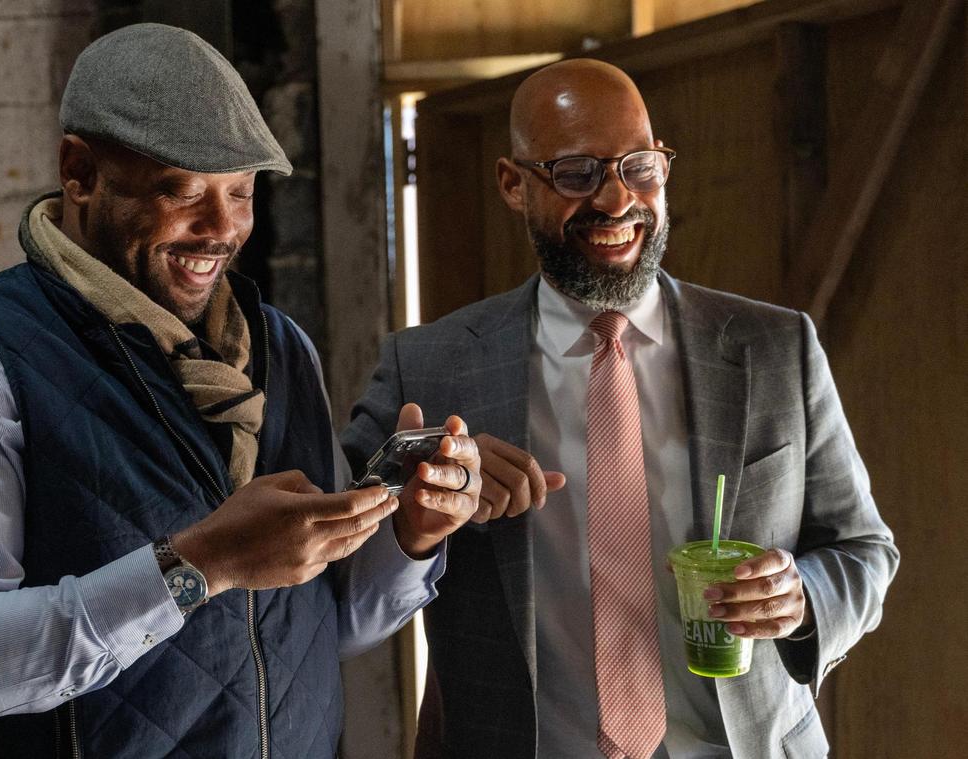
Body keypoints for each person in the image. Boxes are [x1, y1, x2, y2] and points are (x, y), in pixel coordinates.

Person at [0, 23, 480, 759]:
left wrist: (409, 538)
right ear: (79, 172)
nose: (223, 229)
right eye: (183, 190)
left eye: (241, 191)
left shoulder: (282, 348)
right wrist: (198, 564)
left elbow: (327, 625)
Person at [343, 59, 898, 759]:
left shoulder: (775, 348)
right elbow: (343, 603)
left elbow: (865, 550)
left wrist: (804, 597)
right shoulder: (427, 369)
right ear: (514, 183)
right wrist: (416, 530)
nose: (615, 200)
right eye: (576, 172)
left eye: (640, 167)